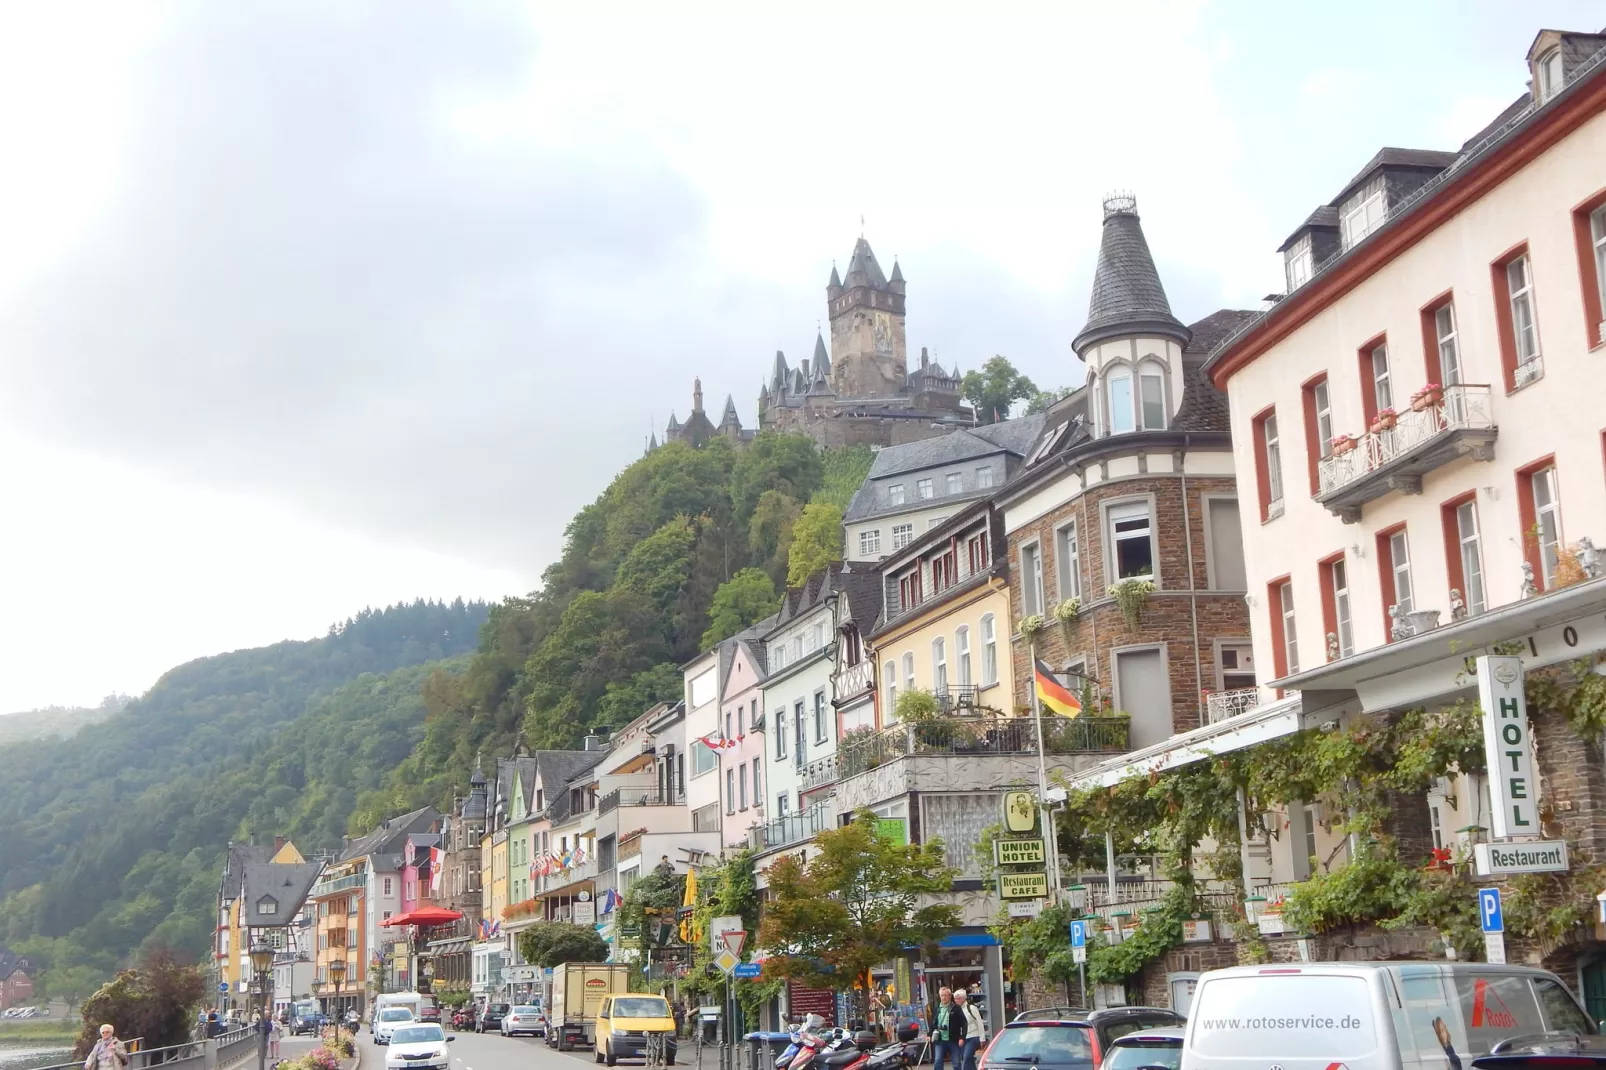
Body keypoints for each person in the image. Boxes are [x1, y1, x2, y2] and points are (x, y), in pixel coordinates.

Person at [931, 988, 965, 1070]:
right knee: (938, 1061)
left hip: (953, 1039)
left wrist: (962, 1037)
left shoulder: (956, 1008)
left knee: (956, 1063)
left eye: (945, 995)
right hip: (940, 1040)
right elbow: (932, 1022)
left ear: (950, 996)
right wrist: (929, 1034)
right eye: (942, 996)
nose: (943, 998)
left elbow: (964, 1023)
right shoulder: (937, 1007)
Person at [953, 989, 986, 1070]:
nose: (956, 1000)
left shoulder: (971, 1008)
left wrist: (982, 1038)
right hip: (962, 1038)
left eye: (958, 998)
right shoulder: (956, 1010)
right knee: (968, 1059)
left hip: (973, 1036)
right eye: (955, 998)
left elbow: (979, 1023)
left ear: (964, 998)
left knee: (966, 1058)